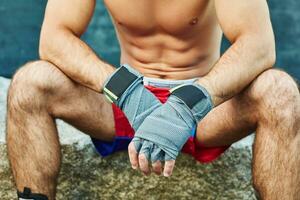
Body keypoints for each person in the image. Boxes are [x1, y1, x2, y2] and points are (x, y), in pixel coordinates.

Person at [6, 0, 300, 199]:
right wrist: (126, 91)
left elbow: (259, 44)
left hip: (203, 112)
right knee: (31, 83)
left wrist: (188, 104)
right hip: (126, 104)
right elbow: (54, 38)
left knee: (280, 91)